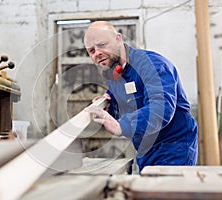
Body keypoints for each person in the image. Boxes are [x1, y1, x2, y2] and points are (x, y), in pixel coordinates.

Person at [84, 21, 198, 172]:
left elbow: (161, 109)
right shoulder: (114, 73)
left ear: (118, 39)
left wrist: (123, 125)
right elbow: (127, 103)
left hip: (174, 147)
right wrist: (109, 106)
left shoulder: (152, 64)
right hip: (146, 150)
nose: (97, 53)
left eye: (102, 45)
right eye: (91, 50)